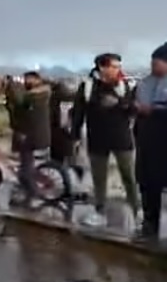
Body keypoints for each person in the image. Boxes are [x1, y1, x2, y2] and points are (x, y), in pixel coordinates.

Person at [70, 53, 139, 228]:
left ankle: (137, 211)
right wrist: (75, 136)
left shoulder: (125, 84)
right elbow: (78, 113)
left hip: (121, 137)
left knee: (129, 176)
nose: (117, 70)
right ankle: (99, 212)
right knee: (99, 178)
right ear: (102, 67)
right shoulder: (87, 86)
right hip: (97, 137)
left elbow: (132, 111)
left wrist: (120, 102)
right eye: (114, 66)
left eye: (118, 66)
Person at [132, 43, 167, 240]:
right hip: (146, 141)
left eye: (157, 62)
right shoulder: (144, 83)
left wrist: (153, 110)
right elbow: (135, 106)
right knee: (147, 184)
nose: (153, 66)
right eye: (152, 62)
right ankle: (149, 224)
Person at [7, 71, 52, 205]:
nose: (26, 82)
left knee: (25, 170)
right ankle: (27, 192)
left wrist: (13, 87)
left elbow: (21, 107)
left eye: (29, 80)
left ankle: (33, 193)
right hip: (32, 135)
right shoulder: (39, 94)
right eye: (25, 80)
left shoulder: (35, 96)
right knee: (25, 166)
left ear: (37, 80)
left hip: (30, 136)